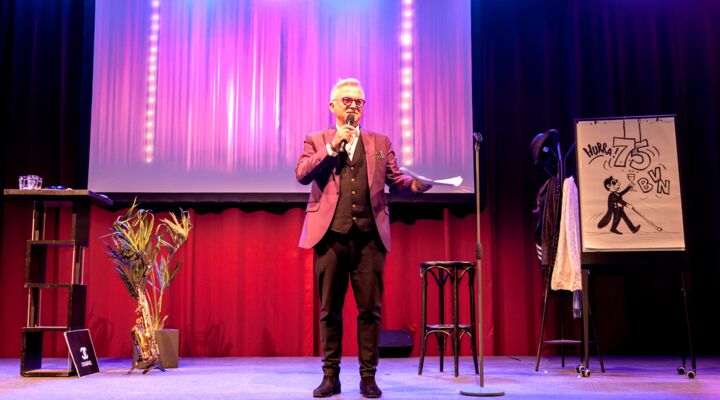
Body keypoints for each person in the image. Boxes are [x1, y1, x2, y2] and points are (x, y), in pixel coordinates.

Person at [295, 78, 431, 398]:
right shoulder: (317, 140)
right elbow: (302, 174)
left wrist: (413, 186)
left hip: (369, 238)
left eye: (358, 102)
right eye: (347, 101)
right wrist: (332, 148)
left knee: (370, 310)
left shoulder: (380, 141)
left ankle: (368, 377)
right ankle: (331, 377)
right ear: (333, 106)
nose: (353, 106)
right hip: (330, 236)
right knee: (330, 310)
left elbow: (395, 179)